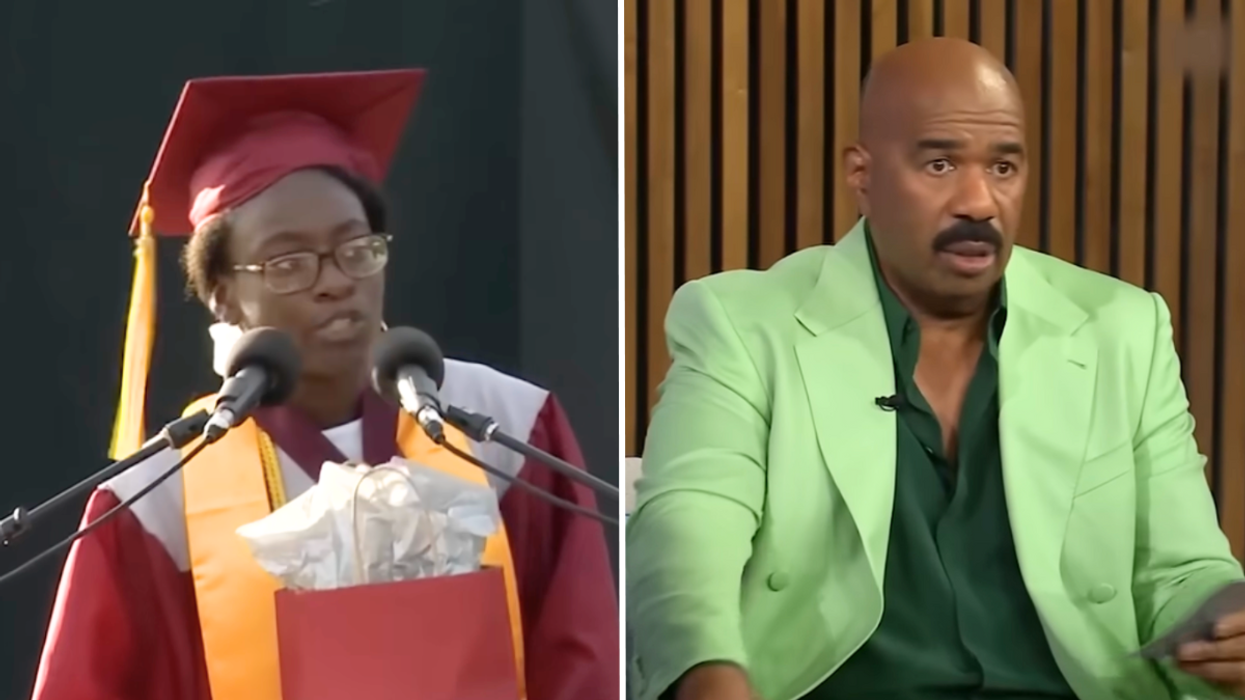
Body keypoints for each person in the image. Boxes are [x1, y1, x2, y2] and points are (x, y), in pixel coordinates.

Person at [626, 37, 1245, 700]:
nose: (978, 202)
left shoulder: (1121, 329)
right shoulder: (743, 324)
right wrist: (708, 675)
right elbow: (688, 526)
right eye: (941, 163)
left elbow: (1182, 570)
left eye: (1003, 168)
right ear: (860, 174)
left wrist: (1224, 622)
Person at [32, 69, 617, 700]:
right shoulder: (155, 500)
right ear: (224, 295)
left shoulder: (505, 429)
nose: (335, 280)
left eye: (355, 249)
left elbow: (579, 660)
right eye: (288, 262)